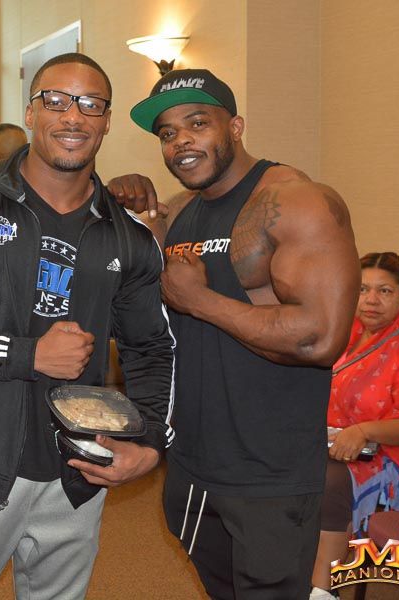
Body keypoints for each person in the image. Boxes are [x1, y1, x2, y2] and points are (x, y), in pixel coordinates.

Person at [0, 52, 175, 599]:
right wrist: (28, 355)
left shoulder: (129, 235)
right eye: (56, 100)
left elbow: (151, 348)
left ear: (106, 120)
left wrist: (150, 441)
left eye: (90, 104)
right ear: (31, 112)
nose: (73, 116)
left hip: (78, 472)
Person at [126, 68, 360, 599]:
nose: (181, 141)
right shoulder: (182, 211)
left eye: (197, 123)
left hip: (269, 472)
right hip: (193, 460)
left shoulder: (297, 201)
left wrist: (200, 300)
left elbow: (318, 338)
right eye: (167, 132)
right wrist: (133, 216)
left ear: (235, 126)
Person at [310, 252, 399, 600]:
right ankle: (292, 562)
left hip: (395, 453)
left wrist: (363, 432)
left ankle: (323, 589)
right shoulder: (348, 331)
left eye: (384, 291)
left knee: (331, 479)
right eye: (363, 289)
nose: (371, 300)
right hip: (336, 438)